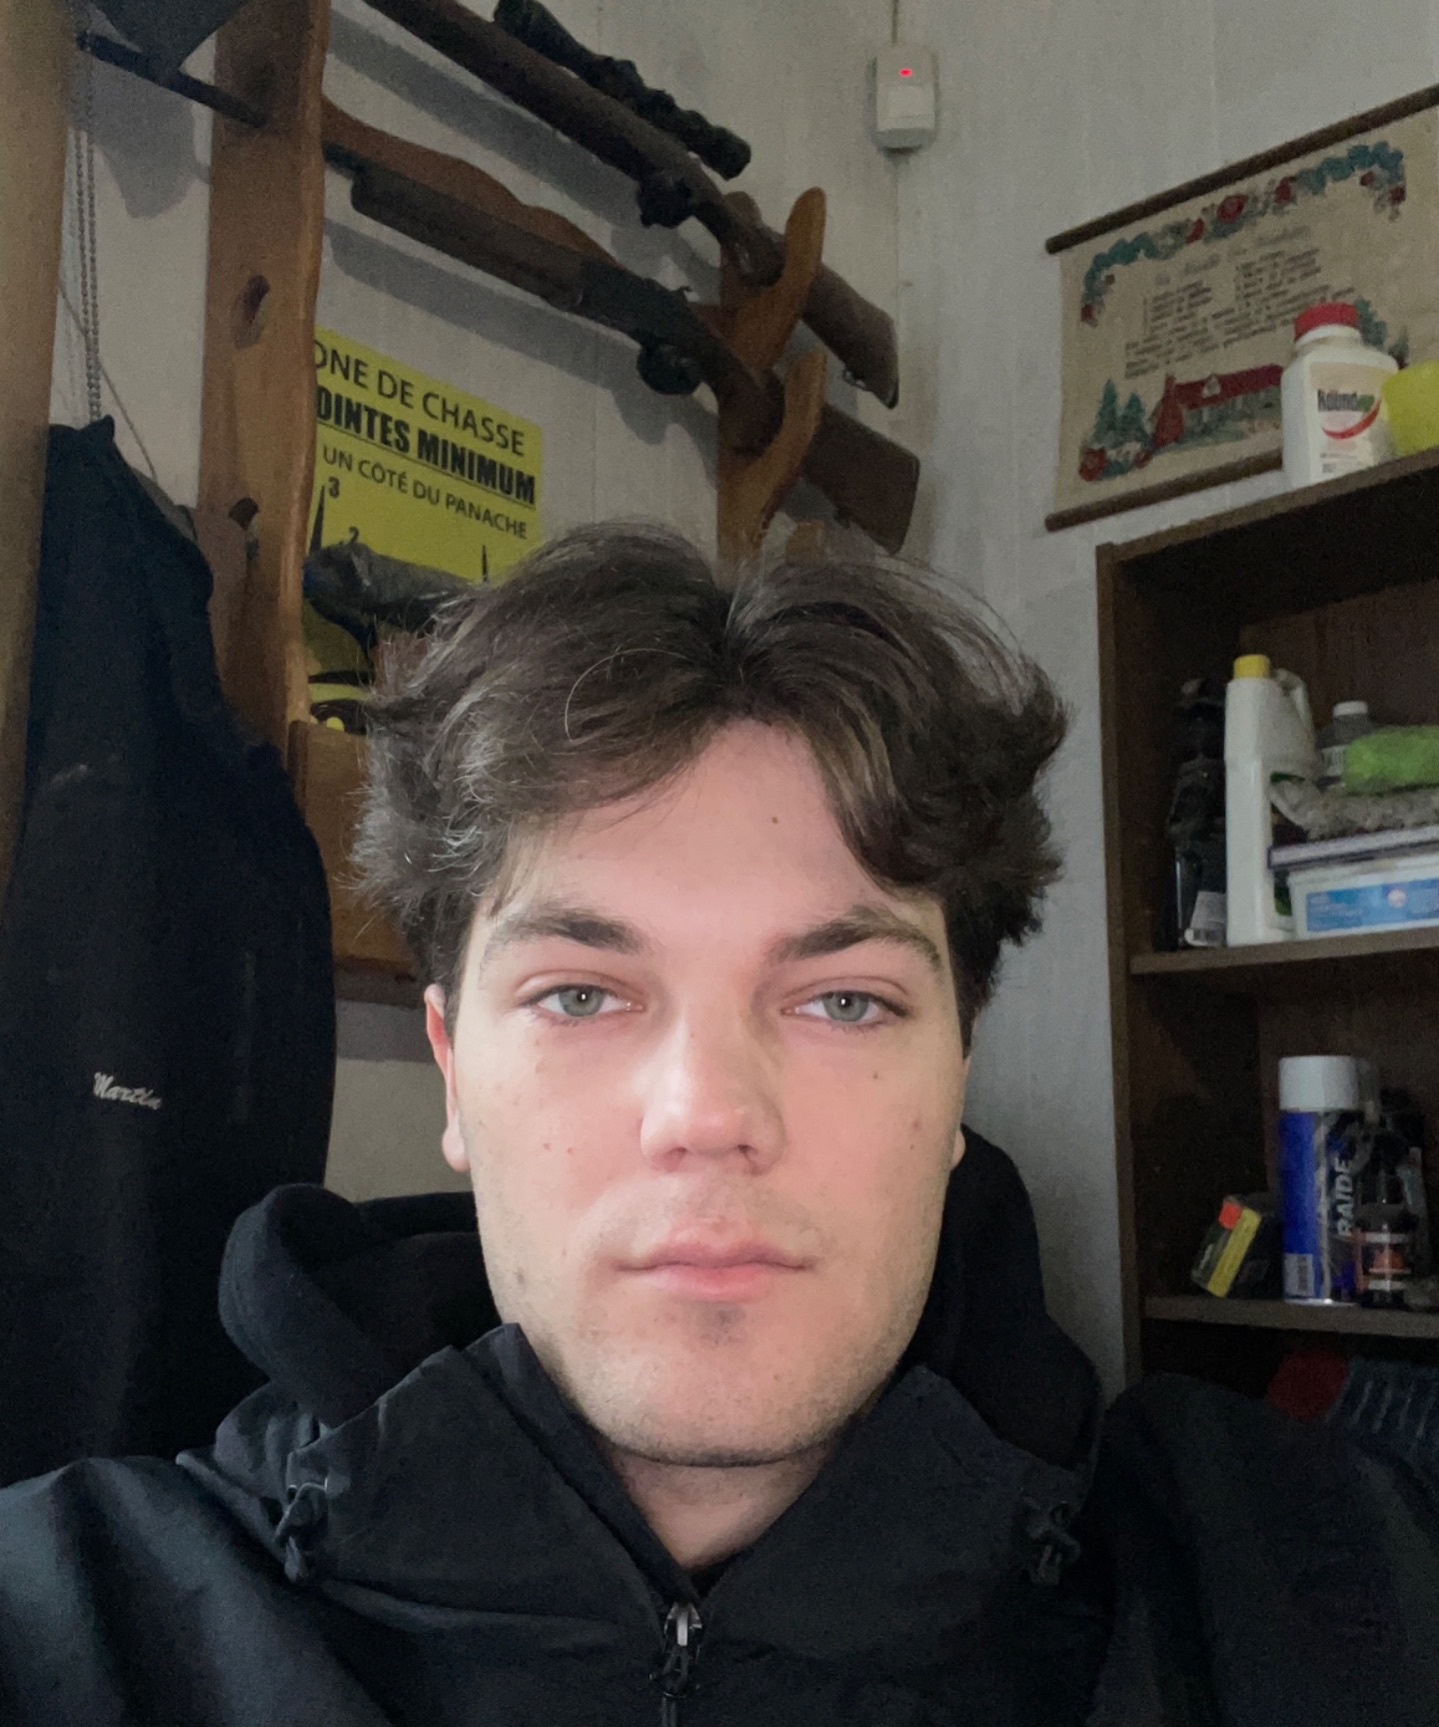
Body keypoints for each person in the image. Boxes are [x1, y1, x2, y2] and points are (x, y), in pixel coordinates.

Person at [0, 525, 1435, 1726]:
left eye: (845, 1001)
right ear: (451, 1072)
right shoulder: (81, 1622)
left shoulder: (1319, 1592)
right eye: (579, 994)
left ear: (958, 1070)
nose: (707, 1114)